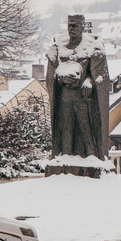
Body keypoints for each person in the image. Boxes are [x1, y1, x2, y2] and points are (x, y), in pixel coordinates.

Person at [46, 14, 110, 159]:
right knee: (66, 129)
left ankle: (93, 157)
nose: (71, 28)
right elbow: (52, 75)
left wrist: (90, 82)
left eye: (75, 25)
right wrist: (61, 78)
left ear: (82, 27)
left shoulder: (92, 46)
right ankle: (65, 157)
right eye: (69, 25)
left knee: (86, 129)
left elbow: (99, 77)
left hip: (83, 98)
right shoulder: (59, 47)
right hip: (65, 96)